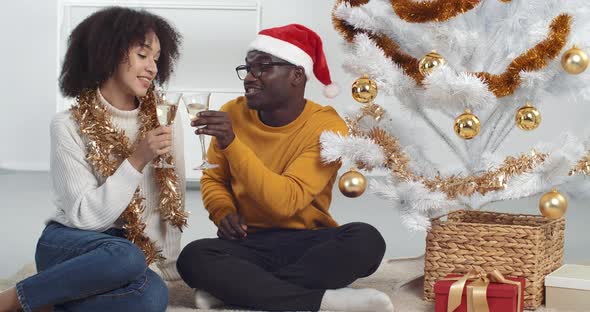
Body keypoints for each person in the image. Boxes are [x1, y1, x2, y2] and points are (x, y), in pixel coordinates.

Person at [176, 24, 394, 312]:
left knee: (367, 241)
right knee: (193, 257)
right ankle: (320, 301)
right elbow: (214, 178)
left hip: (308, 242)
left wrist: (232, 142)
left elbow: (285, 202)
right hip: (249, 242)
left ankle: (237, 292)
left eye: (262, 68)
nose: (249, 79)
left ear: (296, 74)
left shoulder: (327, 127)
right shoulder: (233, 112)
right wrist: (223, 211)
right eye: (247, 69)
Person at [0, 7, 184, 312]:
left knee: (151, 297)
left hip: (134, 253)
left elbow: (170, 204)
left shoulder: (164, 118)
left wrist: (167, 271)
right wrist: (138, 158)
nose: (152, 67)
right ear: (108, 53)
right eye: (142, 55)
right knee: (124, 256)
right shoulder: (68, 125)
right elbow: (86, 218)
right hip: (72, 243)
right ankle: (10, 300)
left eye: (156, 58)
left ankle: (45, 301)